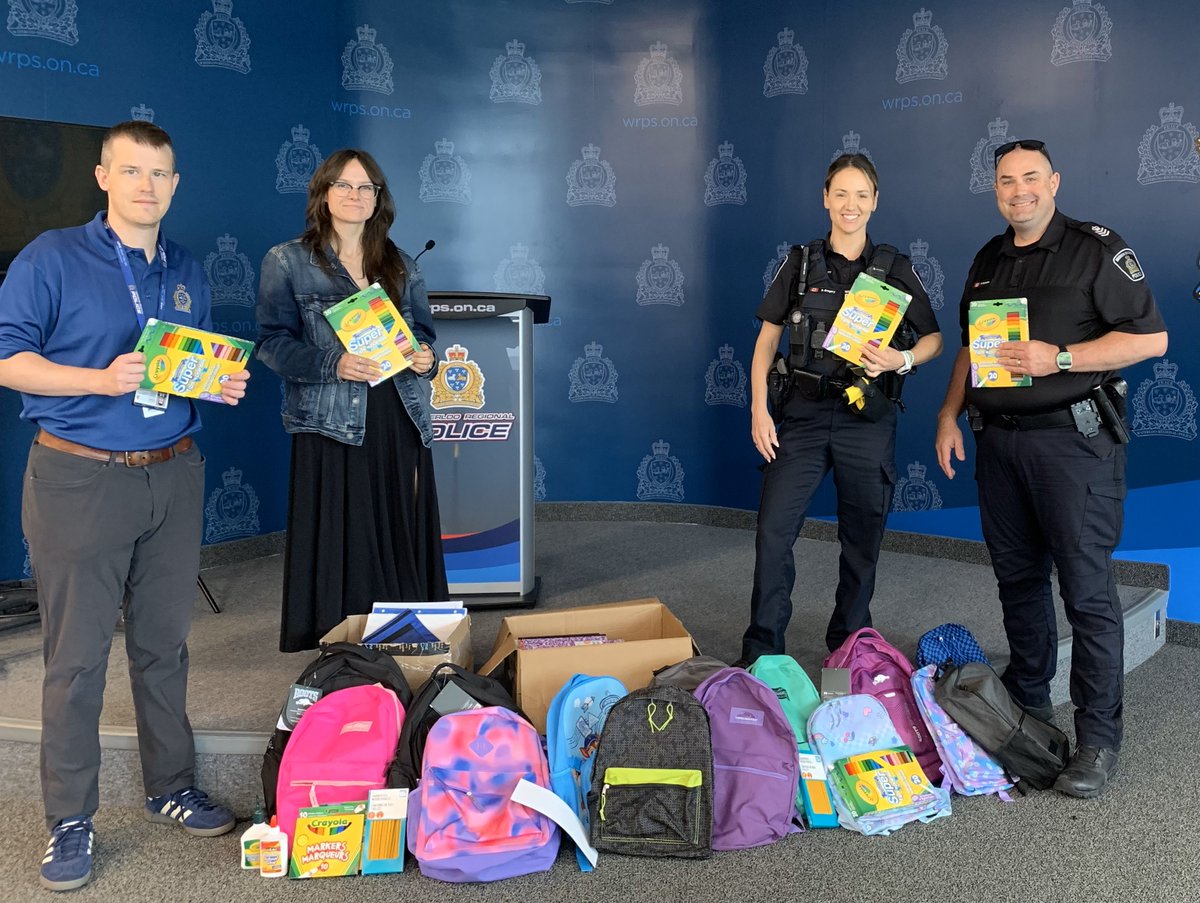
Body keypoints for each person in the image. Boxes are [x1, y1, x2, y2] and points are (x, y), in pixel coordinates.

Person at [0, 120, 249, 892]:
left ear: (175, 185)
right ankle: (69, 818)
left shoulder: (186, 267)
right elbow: (8, 358)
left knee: (164, 645)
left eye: (161, 173)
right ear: (104, 177)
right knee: (75, 659)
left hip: (172, 474)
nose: (148, 185)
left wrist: (218, 382)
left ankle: (170, 785)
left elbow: (180, 364)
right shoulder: (51, 257)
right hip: (80, 477)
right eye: (132, 170)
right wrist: (99, 380)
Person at [934, 139, 1167, 799]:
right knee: (1018, 581)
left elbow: (1151, 338)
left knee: (1087, 594)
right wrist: (949, 413)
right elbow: (970, 349)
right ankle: (1029, 702)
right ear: (996, 189)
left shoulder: (1096, 249)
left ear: (1054, 181)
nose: (1020, 191)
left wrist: (1058, 358)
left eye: (1031, 178)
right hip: (1000, 446)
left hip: (1074, 447)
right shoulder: (988, 258)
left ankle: (1098, 736)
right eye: (1007, 181)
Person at [738, 154, 943, 666]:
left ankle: (849, 645)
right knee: (773, 532)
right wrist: (759, 409)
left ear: (875, 202)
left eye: (861, 195)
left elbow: (935, 339)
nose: (851, 205)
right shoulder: (800, 262)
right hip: (802, 416)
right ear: (826, 199)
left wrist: (902, 359)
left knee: (862, 539)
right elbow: (765, 343)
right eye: (841, 194)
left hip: (866, 421)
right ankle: (763, 651)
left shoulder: (895, 268)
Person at [256, 148, 448, 653]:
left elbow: (424, 334)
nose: (355, 195)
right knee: (347, 533)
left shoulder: (401, 263)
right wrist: (331, 364)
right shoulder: (287, 261)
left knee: (398, 528)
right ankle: (344, 646)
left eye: (366, 188)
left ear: (378, 199)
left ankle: (403, 642)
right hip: (331, 421)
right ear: (323, 193)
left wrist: (427, 358)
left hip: (398, 415)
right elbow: (271, 343)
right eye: (343, 185)